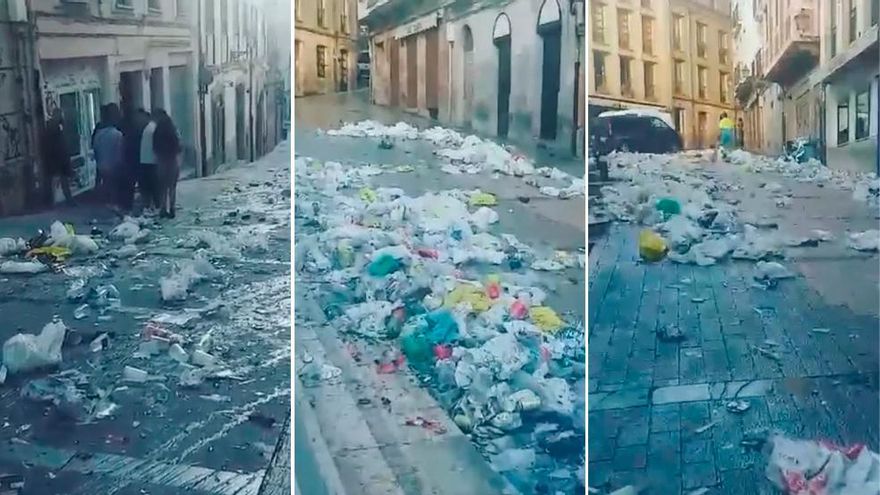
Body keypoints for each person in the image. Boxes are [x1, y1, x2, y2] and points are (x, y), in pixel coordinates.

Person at [92, 103, 124, 208]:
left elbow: (95, 148)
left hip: (102, 165)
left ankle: (105, 202)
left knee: (106, 183)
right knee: (114, 186)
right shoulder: (118, 134)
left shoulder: (99, 133)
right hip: (114, 165)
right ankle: (113, 203)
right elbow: (120, 151)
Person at [152, 109, 182, 218]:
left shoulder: (157, 131)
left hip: (162, 161)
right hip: (173, 160)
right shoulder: (173, 129)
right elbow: (179, 146)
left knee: (163, 187)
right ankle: (172, 208)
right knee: (172, 187)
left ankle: (163, 208)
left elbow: (154, 146)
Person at [41, 110, 74, 204]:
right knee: (57, 180)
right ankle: (54, 201)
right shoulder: (54, 128)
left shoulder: (53, 127)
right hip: (56, 157)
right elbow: (58, 144)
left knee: (56, 180)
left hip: (54, 157)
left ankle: (53, 201)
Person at [138, 109, 159, 213]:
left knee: (148, 189)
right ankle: (154, 208)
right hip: (152, 163)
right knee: (154, 189)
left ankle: (150, 208)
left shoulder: (149, 128)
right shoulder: (153, 128)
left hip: (146, 162)